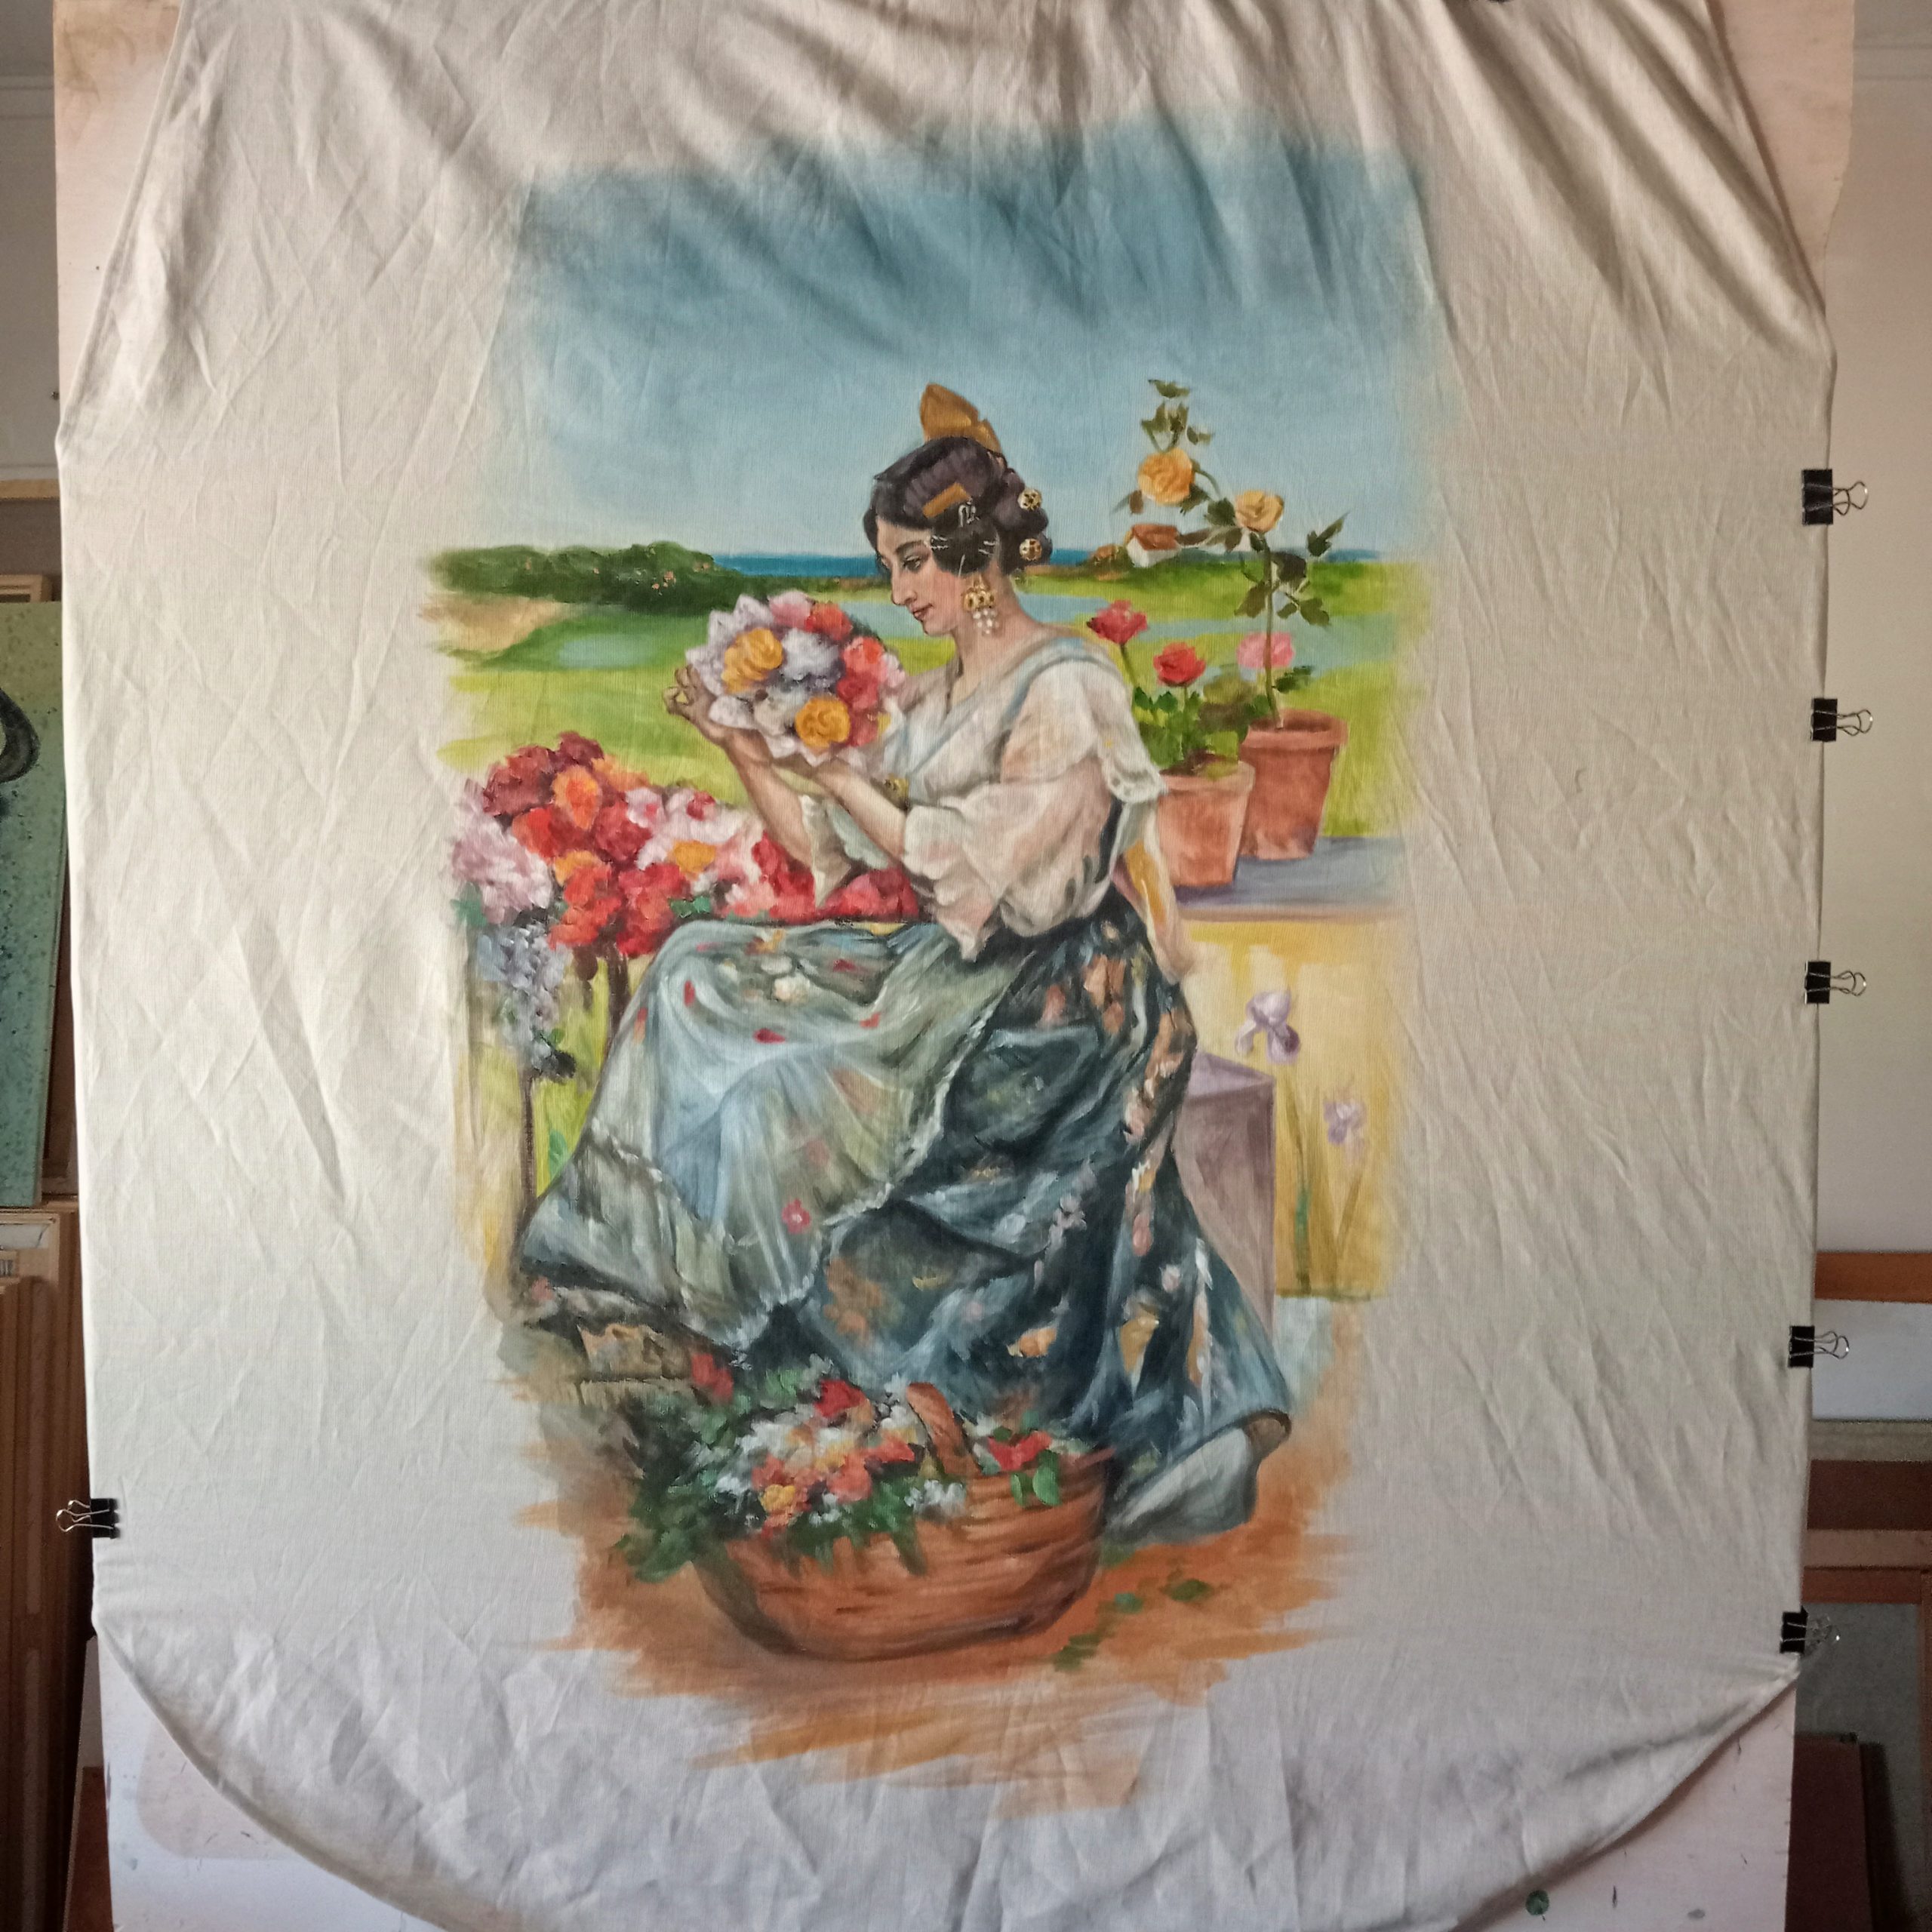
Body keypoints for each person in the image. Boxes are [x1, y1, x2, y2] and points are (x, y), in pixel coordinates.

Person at [519, 386, 1290, 1544]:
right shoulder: (935, 697)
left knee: (788, 1091)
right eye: (891, 565)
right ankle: (630, 1284)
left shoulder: (1068, 685)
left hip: (1057, 1006)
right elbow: (823, 849)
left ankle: (845, 1374)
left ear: (978, 551)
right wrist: (743, 747)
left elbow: (996, 877)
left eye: (916, 561)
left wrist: (840, 774)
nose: (902, 588)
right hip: (957, 973)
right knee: (693, 970)